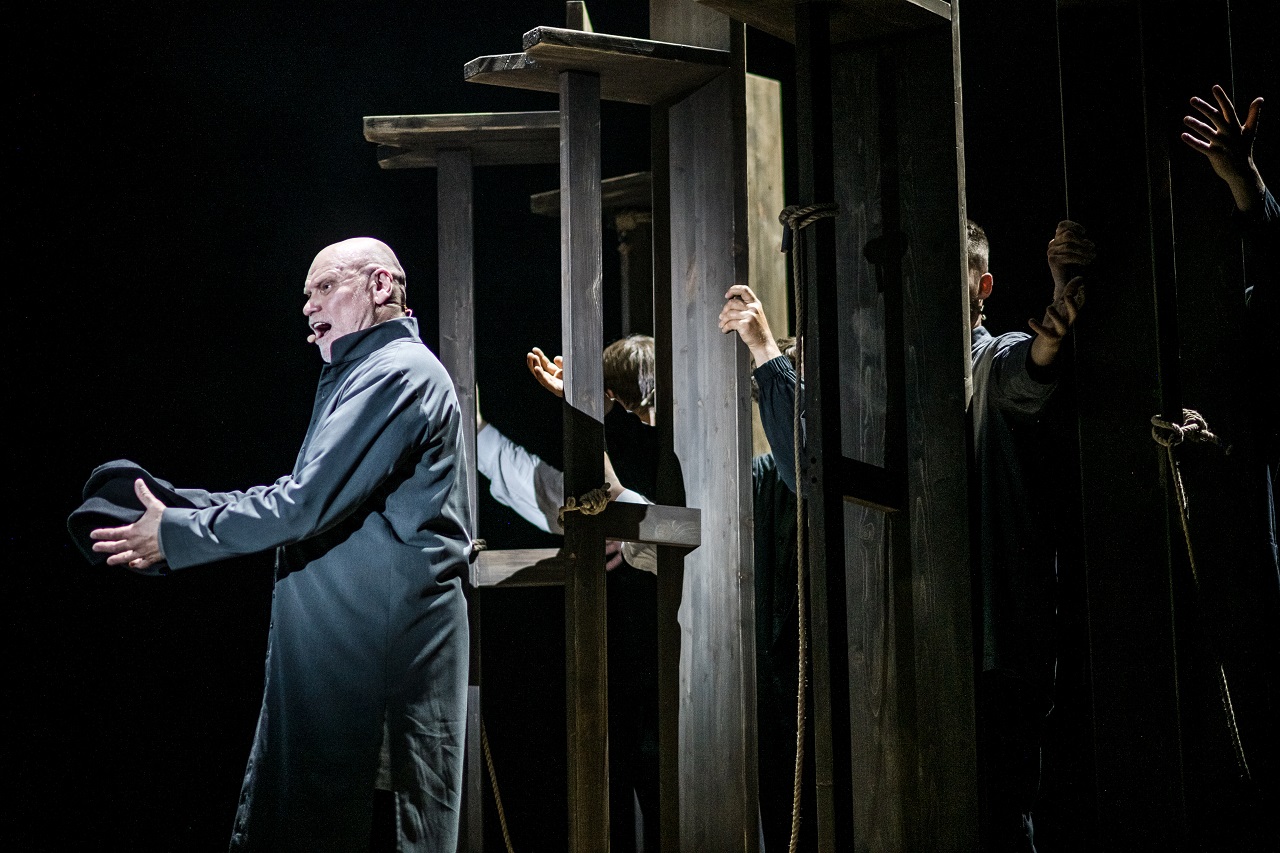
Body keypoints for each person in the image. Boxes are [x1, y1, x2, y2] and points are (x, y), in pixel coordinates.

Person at [87, 237, 473, 852]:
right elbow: (298, 494)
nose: (308, 306)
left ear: (380, 286)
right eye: (306, 294)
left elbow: (301, 505)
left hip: (381, 664)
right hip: (348, 659)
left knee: (373, 826)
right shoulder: (362, 374)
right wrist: (179, 506)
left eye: (325, 287)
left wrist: (178, 534)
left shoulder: (398, 372)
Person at [968, 218, 1093, 853]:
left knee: (1002, 820)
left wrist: (1050, 336)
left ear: (982, 286)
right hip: (944, 638)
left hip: (1000, 648)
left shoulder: (991, 357)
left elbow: (1027, 370)